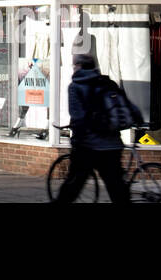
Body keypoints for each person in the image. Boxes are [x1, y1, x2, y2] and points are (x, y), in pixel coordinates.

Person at [52, 52, 133, 204]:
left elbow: (78, 116)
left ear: (79, 66)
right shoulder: (108, 83)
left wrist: (76, 138)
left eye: (75, 65)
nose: (74, 68)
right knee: (117, 189)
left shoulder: (76, 86)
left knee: (73, 185)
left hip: (88, 146)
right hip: (113, 146)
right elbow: (127, 106)